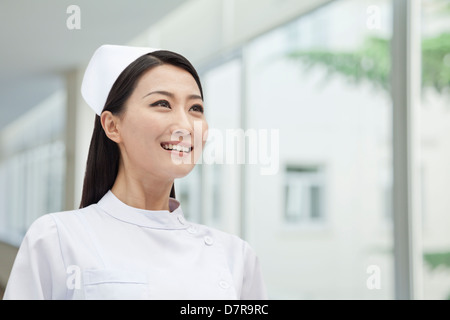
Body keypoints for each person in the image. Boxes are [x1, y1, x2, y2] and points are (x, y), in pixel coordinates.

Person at [3, 44, 267, 300]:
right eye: (162, 104)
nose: (186, 125)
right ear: (112, 126)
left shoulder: (235, 256)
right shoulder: (57, 238)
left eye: (195, 108)